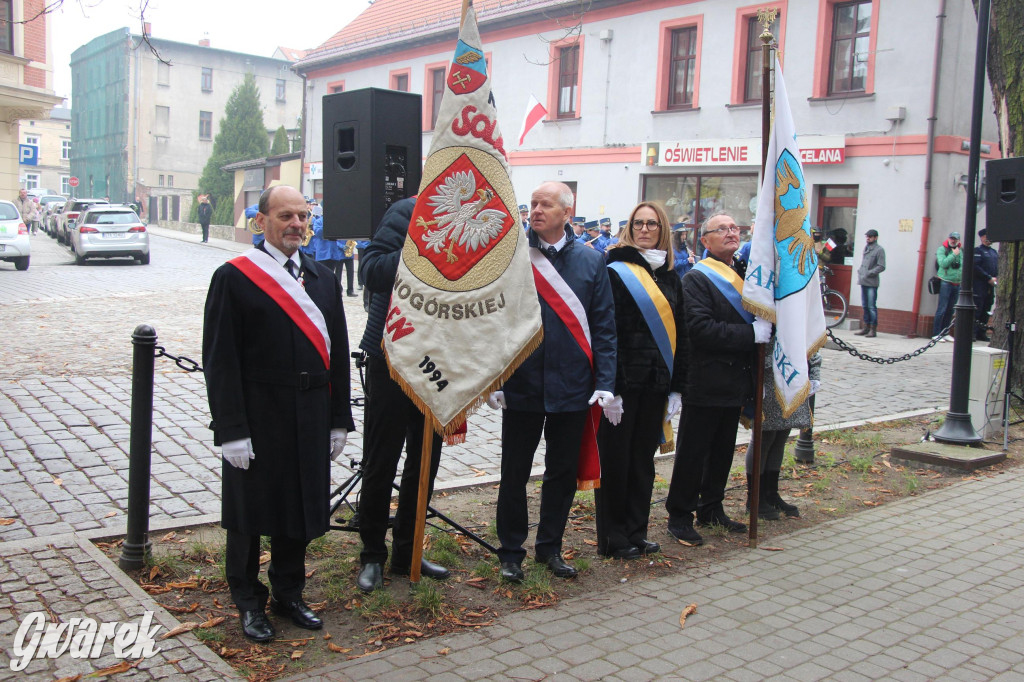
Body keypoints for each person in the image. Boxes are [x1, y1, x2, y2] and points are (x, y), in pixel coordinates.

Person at [202, 185, 355, 643]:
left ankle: (288, 592)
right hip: (258, 414)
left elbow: (338, 355)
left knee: (299, 508)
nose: (296, 225)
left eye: (303, 217)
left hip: (309, 412)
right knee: (250, 514)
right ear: (261, 222)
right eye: (286, 215)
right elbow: (220, 358)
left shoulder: (323, 278)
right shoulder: (235, 276)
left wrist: (337, 419)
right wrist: (231, 430)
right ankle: (248, 601)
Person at [488, 181, 617, 582]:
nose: (537, 210)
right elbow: (495, 320)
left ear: (567, 211)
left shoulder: (592, 262)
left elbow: (604, 328)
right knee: (513, 472)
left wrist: (605, 382)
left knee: (560, 473)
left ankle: (550, 548)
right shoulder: (512, 257)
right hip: (522, 384)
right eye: (533, 204)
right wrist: (494, 378)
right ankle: (510, 552)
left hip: (573, 387)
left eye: (546, 204)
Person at [355, 197, 450, 592]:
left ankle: (407, 551)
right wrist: (421, 250)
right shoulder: (406, 211)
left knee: (423, 465)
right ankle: (372, 555)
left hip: (443, 361)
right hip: (394, 352)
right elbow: (371, 272)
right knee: (381, 461)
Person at [665, 212, 771, 546]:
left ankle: (711, 508)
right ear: (705, 240)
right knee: (693, 453)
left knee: (724, 450)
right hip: (705, 380)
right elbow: (700, 329)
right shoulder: (696, 279)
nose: (731, 233)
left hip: (736, 381)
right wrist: (750, 334)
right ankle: (679, 515)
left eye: (734, 228)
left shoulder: (744, 272)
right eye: (721, 229)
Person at [595, 201, 687, 559]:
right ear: (629, 229)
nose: (644, 229)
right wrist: (610, 387)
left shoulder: (671, 276)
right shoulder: (615, 270)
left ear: (662, 228)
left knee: (642, 464)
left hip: (656, 385)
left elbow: (683, 335)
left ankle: (637, 530)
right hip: (623, 388)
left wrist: (678, 385)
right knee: (616, 463)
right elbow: (606, 332)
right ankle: (612, 537)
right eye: (637, 224)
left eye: (651, 224)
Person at [746, 335, 821, 520]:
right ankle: (754, 498)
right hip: (769, 368)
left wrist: (814, 372)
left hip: (793, 370)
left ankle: (771, 493)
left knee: (781, 435)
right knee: (765, 436)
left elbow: (809, 332)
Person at [854, 229, 886, 337]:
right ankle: (866, 327)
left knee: (871, 306)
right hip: (863, 280)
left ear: (875, 238)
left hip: (872, 282)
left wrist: (869, 273)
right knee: (865, 306)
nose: (868, 238)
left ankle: (873, 329)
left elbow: (881, 266)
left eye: (870, 237)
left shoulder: (879, 250)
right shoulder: (866, 248)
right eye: (867, 236)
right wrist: (860, 272)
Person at [932, 231, 963, 341]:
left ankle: (945, 333)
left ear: (958, 240)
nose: (953, 240)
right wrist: (953, 255)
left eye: (955, 239)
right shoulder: (942, 249)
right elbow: (943, 263)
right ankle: (936, 333)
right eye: (951, 238)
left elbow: (961, 266)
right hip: (945, 282)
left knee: (950, 309)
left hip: (957, 283)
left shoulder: (961, 251)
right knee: (942, 308)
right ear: (948, 238)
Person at [973, 228, 998, 342]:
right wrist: (988, 278)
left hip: (990, 286)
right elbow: (976, 267)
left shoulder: (993, 252)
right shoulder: (978, 251)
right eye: (987, 236)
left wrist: (995, 278)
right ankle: (972, 333)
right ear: (982, 237)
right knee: (977, 309)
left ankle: (981, 332)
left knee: (986, 308)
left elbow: (996, 267)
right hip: (980, 284)